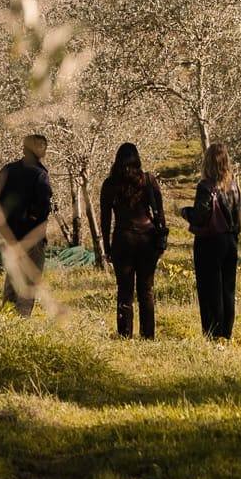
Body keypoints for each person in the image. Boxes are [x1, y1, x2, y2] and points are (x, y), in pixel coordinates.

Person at [99, 141, 168, 339]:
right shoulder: (147, 180)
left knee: (124, 290)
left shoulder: (110, 184)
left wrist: (107, 246)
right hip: (147, 239)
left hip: (123, 239)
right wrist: (161, 238)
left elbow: (105, 219)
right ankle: (148, 335)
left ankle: (125, 334)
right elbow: (160, 213)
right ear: (137, 159)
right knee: (146, 290)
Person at [0, 133, 53, 316]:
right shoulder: (40, 175)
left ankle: (7, 313)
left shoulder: (9, 170)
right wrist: (33, 218)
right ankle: (22, 317)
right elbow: (44, 205)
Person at [187, 141, 241, 340]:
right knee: (228, 289)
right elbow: (238, 215)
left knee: (209, 289)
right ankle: (226, 333)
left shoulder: (205, 186)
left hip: (209, 242)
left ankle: (212, 332)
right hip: (230, 241)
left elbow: (200, 216)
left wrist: (185, 212)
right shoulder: (234, 185)